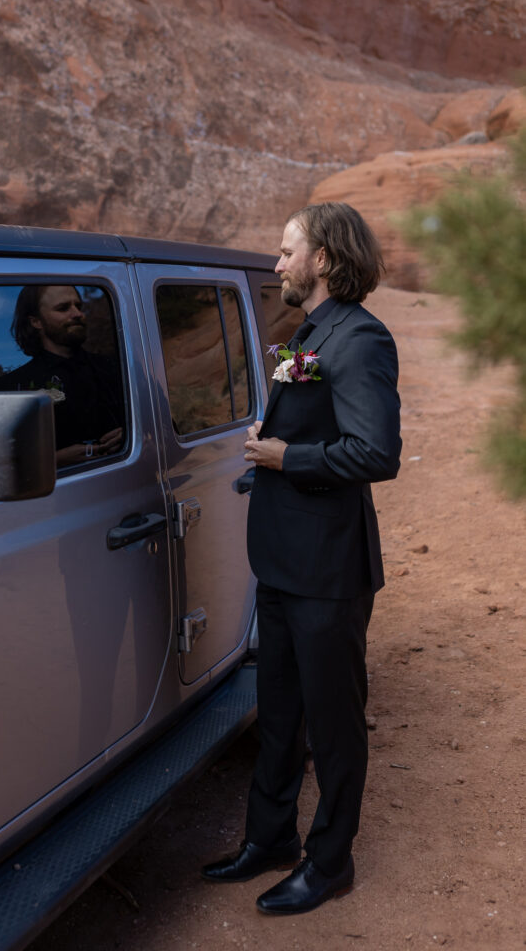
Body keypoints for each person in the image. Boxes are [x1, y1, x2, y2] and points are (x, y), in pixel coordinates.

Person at [202, 202, 401, 914]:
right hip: (282, 561)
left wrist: (288, 454)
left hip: (327, 571)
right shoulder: (309, 332)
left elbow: (377, 453)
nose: (277, 263)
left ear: (323, 257)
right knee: (279, 711)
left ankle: (329, 862)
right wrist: (275, 428)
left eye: (288, 251)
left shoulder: (361, 339)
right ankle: (269, 839)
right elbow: (316, 415)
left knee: (333, 721)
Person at [0, 284, 124, 467]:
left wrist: (131, 434)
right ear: (36, 322)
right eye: (63, 308)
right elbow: (2, 464)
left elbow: (163, 426)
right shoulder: (12, 386)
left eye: (78, 306)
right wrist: (54, 460)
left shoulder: (113, 367)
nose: (77, 314)